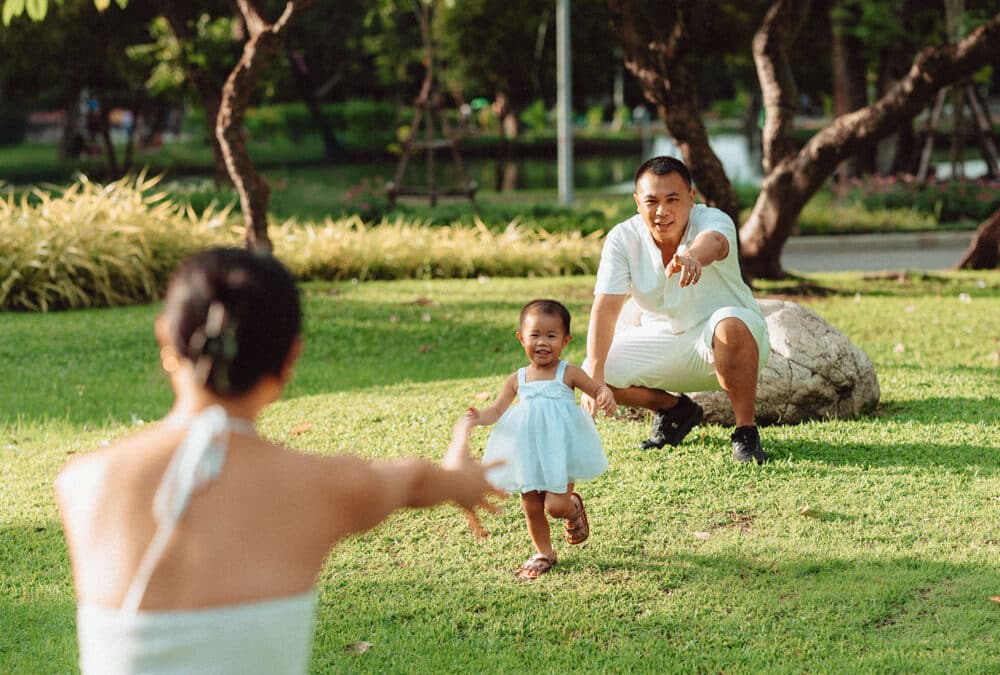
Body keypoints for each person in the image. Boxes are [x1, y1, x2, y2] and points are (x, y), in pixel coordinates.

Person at [54, 248, 505, 675]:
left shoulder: (82, 482)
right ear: (291, 357)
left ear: (166, 337)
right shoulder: (325, 488)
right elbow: (413, 480)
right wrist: (459, 481)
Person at [581, 156, 771, 463]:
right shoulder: (622, 238)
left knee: (730, 323)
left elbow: (716, 242)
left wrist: (693, 256)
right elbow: (605, 308)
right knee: (597, 369)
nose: (662, 211)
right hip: (665, 340)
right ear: (636, 202)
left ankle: (745, 432)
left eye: (673, 199)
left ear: (691, 198)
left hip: (729, 338)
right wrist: (594, 371)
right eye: (651, 201)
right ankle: (675, 410)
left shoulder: (713, 219)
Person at [462, 299, 616, 581]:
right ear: (522, 338)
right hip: (528, 453)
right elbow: (496, 410)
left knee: (555, 507)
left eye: (551, 336)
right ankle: (544, 552)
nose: (542, 342)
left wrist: (603, 395)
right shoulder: (517, 379)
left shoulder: (568, 372)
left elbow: (595, 388)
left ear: (565, 340)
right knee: (532, 506)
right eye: (534, 335)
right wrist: (478, 417)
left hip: (560, 450)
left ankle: (573, 508)